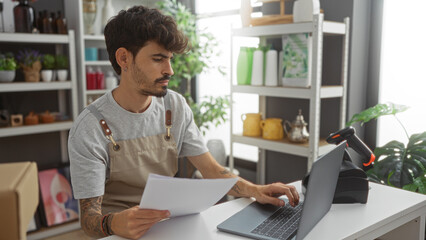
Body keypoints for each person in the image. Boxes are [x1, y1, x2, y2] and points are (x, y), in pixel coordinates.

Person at [68, 5, 299, 240]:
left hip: (170, 227)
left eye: (169, 59)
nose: (170, 70)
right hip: (118, 235)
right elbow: (89, 220)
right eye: (158, 59)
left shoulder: (174, 106)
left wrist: (255, 190)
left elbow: (211, 170)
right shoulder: (90, 127)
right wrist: (113, 223)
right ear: (124, 58)